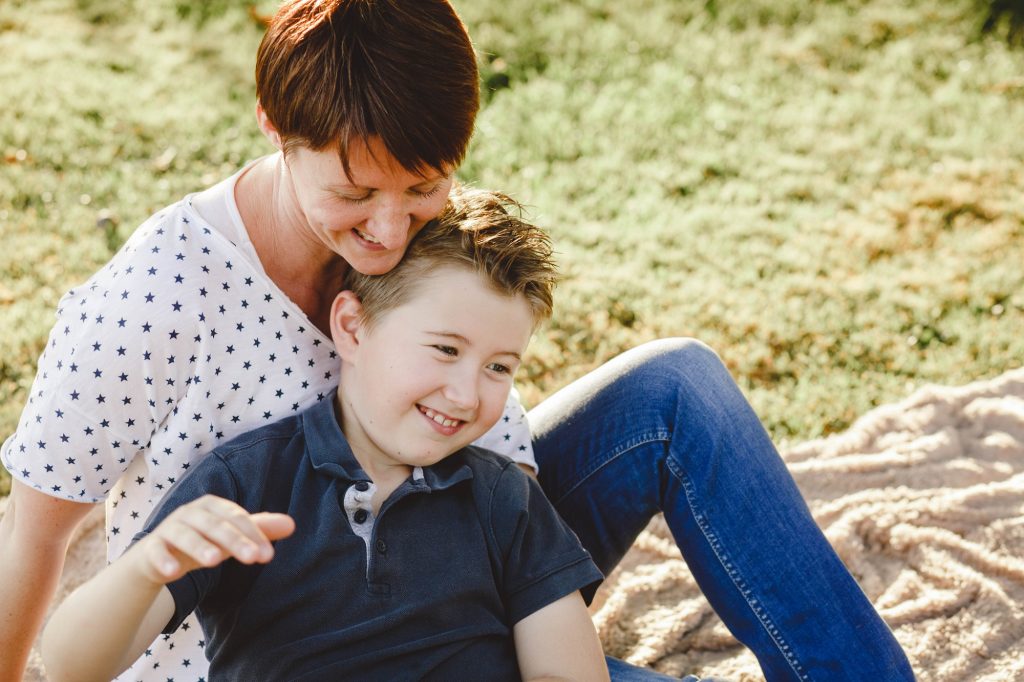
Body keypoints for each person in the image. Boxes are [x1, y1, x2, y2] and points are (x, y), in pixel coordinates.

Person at [0, 1, 914, 680]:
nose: (393, 229)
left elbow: (490, 419)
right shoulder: (155, 300)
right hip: (274, 638)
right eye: (355, 195)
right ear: (275, 127)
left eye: (425, 186)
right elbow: (33, 538)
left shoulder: (422, 229)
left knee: (679, 386)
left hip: (459, 566)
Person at [41, 189, 610, 681]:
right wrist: (147, 567)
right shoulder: (248, 482)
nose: (466, 394)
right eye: (445, 349)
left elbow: (566, 669)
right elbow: (72, 666)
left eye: (499, 367)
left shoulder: (500, 497)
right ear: (352, 328)